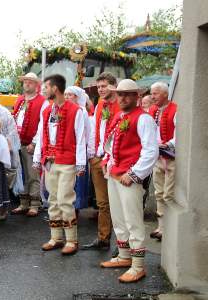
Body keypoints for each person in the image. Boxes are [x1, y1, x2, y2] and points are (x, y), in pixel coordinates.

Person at [100, 79, 158, 283]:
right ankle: (124, 257)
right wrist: (107, 160)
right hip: (115, 174)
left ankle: (138, 266)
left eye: (128, 94)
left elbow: (151, 151)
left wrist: (134, 174)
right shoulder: (119, 115)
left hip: (128, 178)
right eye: (120, 94)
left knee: (133, 221)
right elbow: (111, 143)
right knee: (119, 218)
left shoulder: (144, 119)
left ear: (137, 96)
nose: (122, 98)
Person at [33, 75, 86, 255]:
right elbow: (41, 134)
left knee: (65, 199)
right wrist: (38, 157)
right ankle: (56, 237)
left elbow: (80, 138)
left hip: (67, 161)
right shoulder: (47, 111)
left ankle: (71, 240)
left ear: (55, 88)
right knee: (53, 199)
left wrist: (80, 164)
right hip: (50, 161)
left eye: (46, 87)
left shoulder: (76, 110)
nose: (43, 90)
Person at [82, 72, 120, 251]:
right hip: (98, 158)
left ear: (113, 86)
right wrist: (91, 155)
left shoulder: (121, 104)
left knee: (118, 203)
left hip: (115, 160)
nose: (101, 90)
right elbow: (94, 130)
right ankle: (103, 239)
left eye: (104, 86)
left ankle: (122, 244)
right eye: (99, 87)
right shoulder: (99, 105)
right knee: (102, 203)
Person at [11, 72, 49, 217]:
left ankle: (35, 204)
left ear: (36, 85)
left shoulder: (42, 101)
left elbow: (42, 125)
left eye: (30, 82)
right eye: (25, 81)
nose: (27, 84)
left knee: (32, 174)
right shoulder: (19, 100)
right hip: (18, 143)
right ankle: (23, 203)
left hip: (31, 143)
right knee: (21, 174)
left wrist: (34, 142)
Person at [148, 82, 176, 241]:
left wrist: (167, 144)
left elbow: (179, 133)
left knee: (168, 194)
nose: (152, 97)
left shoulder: (175, 109)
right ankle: (161, 227)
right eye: (152, 94)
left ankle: (169, 227)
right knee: (159, 193)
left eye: (155, 94)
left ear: (165, 94)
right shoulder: (152, 110)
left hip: (171, 157)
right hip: (157, 157)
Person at [64, 86, 91, 212]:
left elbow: (86, 131)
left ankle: (75, 208)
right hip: (66, 149)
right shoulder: (63, 110)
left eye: (70, 95)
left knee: (76, 180)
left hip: (78, 148)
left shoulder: (82, 111)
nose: (67, 97)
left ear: (77, 97)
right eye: (66, 95)